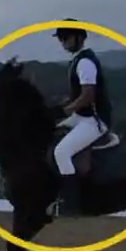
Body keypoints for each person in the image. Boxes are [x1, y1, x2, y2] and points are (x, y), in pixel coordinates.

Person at [47, 23, 113, 216]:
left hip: (94, 120)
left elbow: (87, 96)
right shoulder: (77, 60)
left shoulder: (85, 63)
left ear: (78, 38)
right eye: (61, 39)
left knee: (62, 151)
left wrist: (65, 110)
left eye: (65, 38)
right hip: (81, 116)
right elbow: (76, 96)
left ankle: (70, 203)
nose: (63, 43)